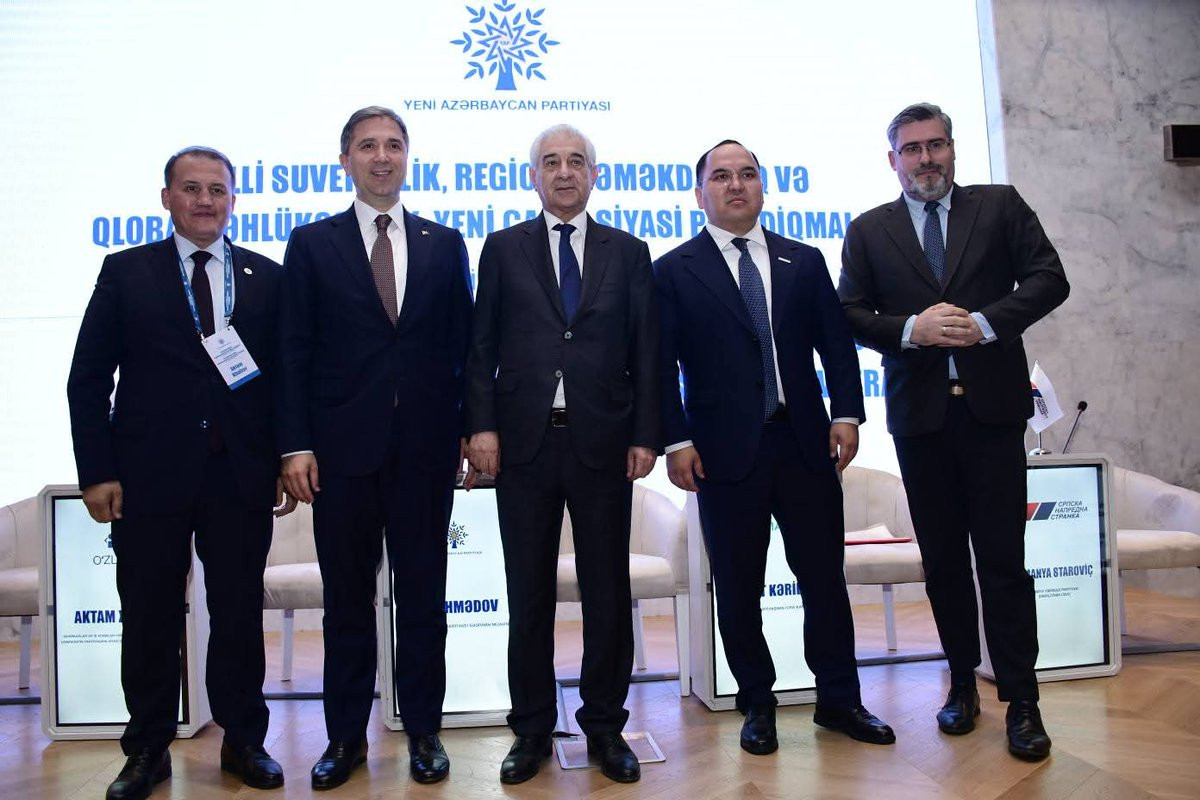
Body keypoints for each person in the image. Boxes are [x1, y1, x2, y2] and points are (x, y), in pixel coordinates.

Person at [838, 102, 1070, 761]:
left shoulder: (999, 207)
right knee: (942, 562)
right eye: (912, 149)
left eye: (935, 145)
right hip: (921, 422)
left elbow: (1050, 279)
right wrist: (913, 330)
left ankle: (1022, 700)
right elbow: (850, 312)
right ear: (893, 160)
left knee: (1003, 561)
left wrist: (985, 324)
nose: (925, 159)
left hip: (993, 415)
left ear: (952, 149)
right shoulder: (869, 230)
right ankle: (962, 682)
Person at [656, 139, 895, 756]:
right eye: (721, 176)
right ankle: (756, 703)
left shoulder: (803, 260)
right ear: (700, 193)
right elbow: (658, 367)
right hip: (722, 453)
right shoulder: (674, 270)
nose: (736, 185)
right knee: (739, 586)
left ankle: (839, 699)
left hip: (804, 444)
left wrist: (847, 413)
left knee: (823, 579)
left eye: (748, 174)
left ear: (762, 187)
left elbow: (836, 347)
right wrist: (677, 440)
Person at [68, 146, 292, 799]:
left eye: (217, 190)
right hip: (147, 478)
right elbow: (88, 379)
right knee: (148, 616)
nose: (204, 201)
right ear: (166, 198)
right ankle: (147, 750)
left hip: (239, 478)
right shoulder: (126, 271)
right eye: (190, 189)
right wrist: (96, 471)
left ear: (233, 200)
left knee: (238, 614)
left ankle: (244, 741)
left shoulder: (264, 277)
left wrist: (284, 457)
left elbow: (285, 382)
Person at [276, 106, 473, 788]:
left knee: (423, 600)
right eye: (368, 146)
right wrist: (294, 444)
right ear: (346, 161)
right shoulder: (312, 244)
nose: (382, 156)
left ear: (407, 157)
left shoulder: (445, 243)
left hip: (425, 452)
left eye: (393, 145)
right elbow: (293, 351)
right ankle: (344, 739)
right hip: (340, 456)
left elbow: (465, 348)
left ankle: (423, 731)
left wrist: (471, 429)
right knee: (347, 605)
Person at [463, 124, 659, 785]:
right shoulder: (502, 248)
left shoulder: (628, 252)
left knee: (608, 591)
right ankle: (531, 729)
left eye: (577, 161)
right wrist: (480, 427)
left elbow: (647, 350)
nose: (565, 172)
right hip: (523, 444)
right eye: (551, 162)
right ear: (534, 177)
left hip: (604, 441)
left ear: (594, 175)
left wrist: (645, 434)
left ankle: (604, 726)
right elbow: (480, 347)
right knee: (528, 593)